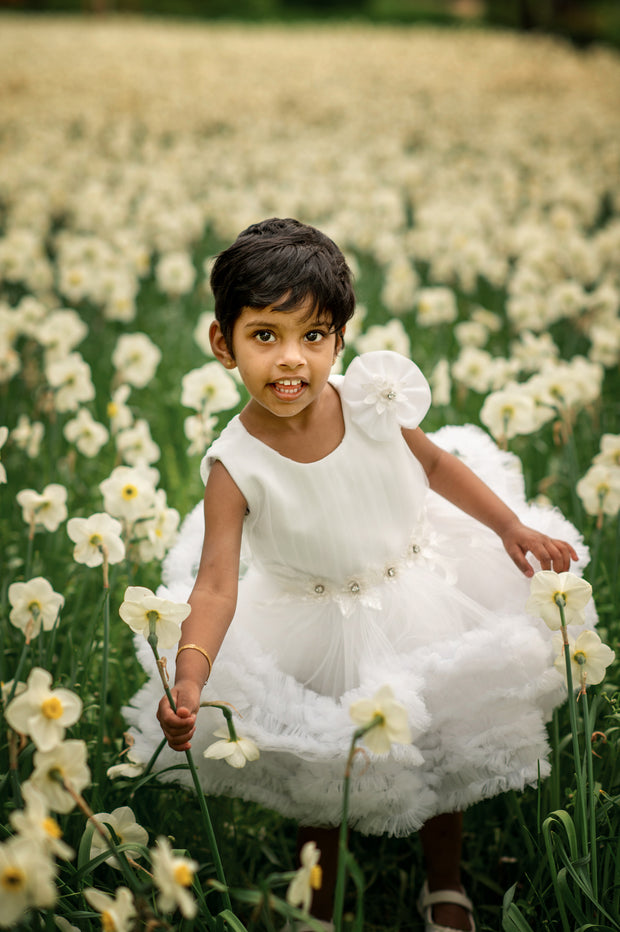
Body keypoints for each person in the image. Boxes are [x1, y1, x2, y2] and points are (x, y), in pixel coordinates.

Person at [125, 218, 595, 932]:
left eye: (313, 336)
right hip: (315, 623)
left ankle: (444, 884)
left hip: (415, 595)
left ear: (340, 339)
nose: (292, 361)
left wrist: (509, 527)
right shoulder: (235, 466)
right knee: (327, 769)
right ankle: (320, 896)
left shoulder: (370, 403)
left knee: (441, 745)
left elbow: (436, 466)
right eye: (265, 337)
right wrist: (192, 674)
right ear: (222, 343)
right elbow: (218, 583)